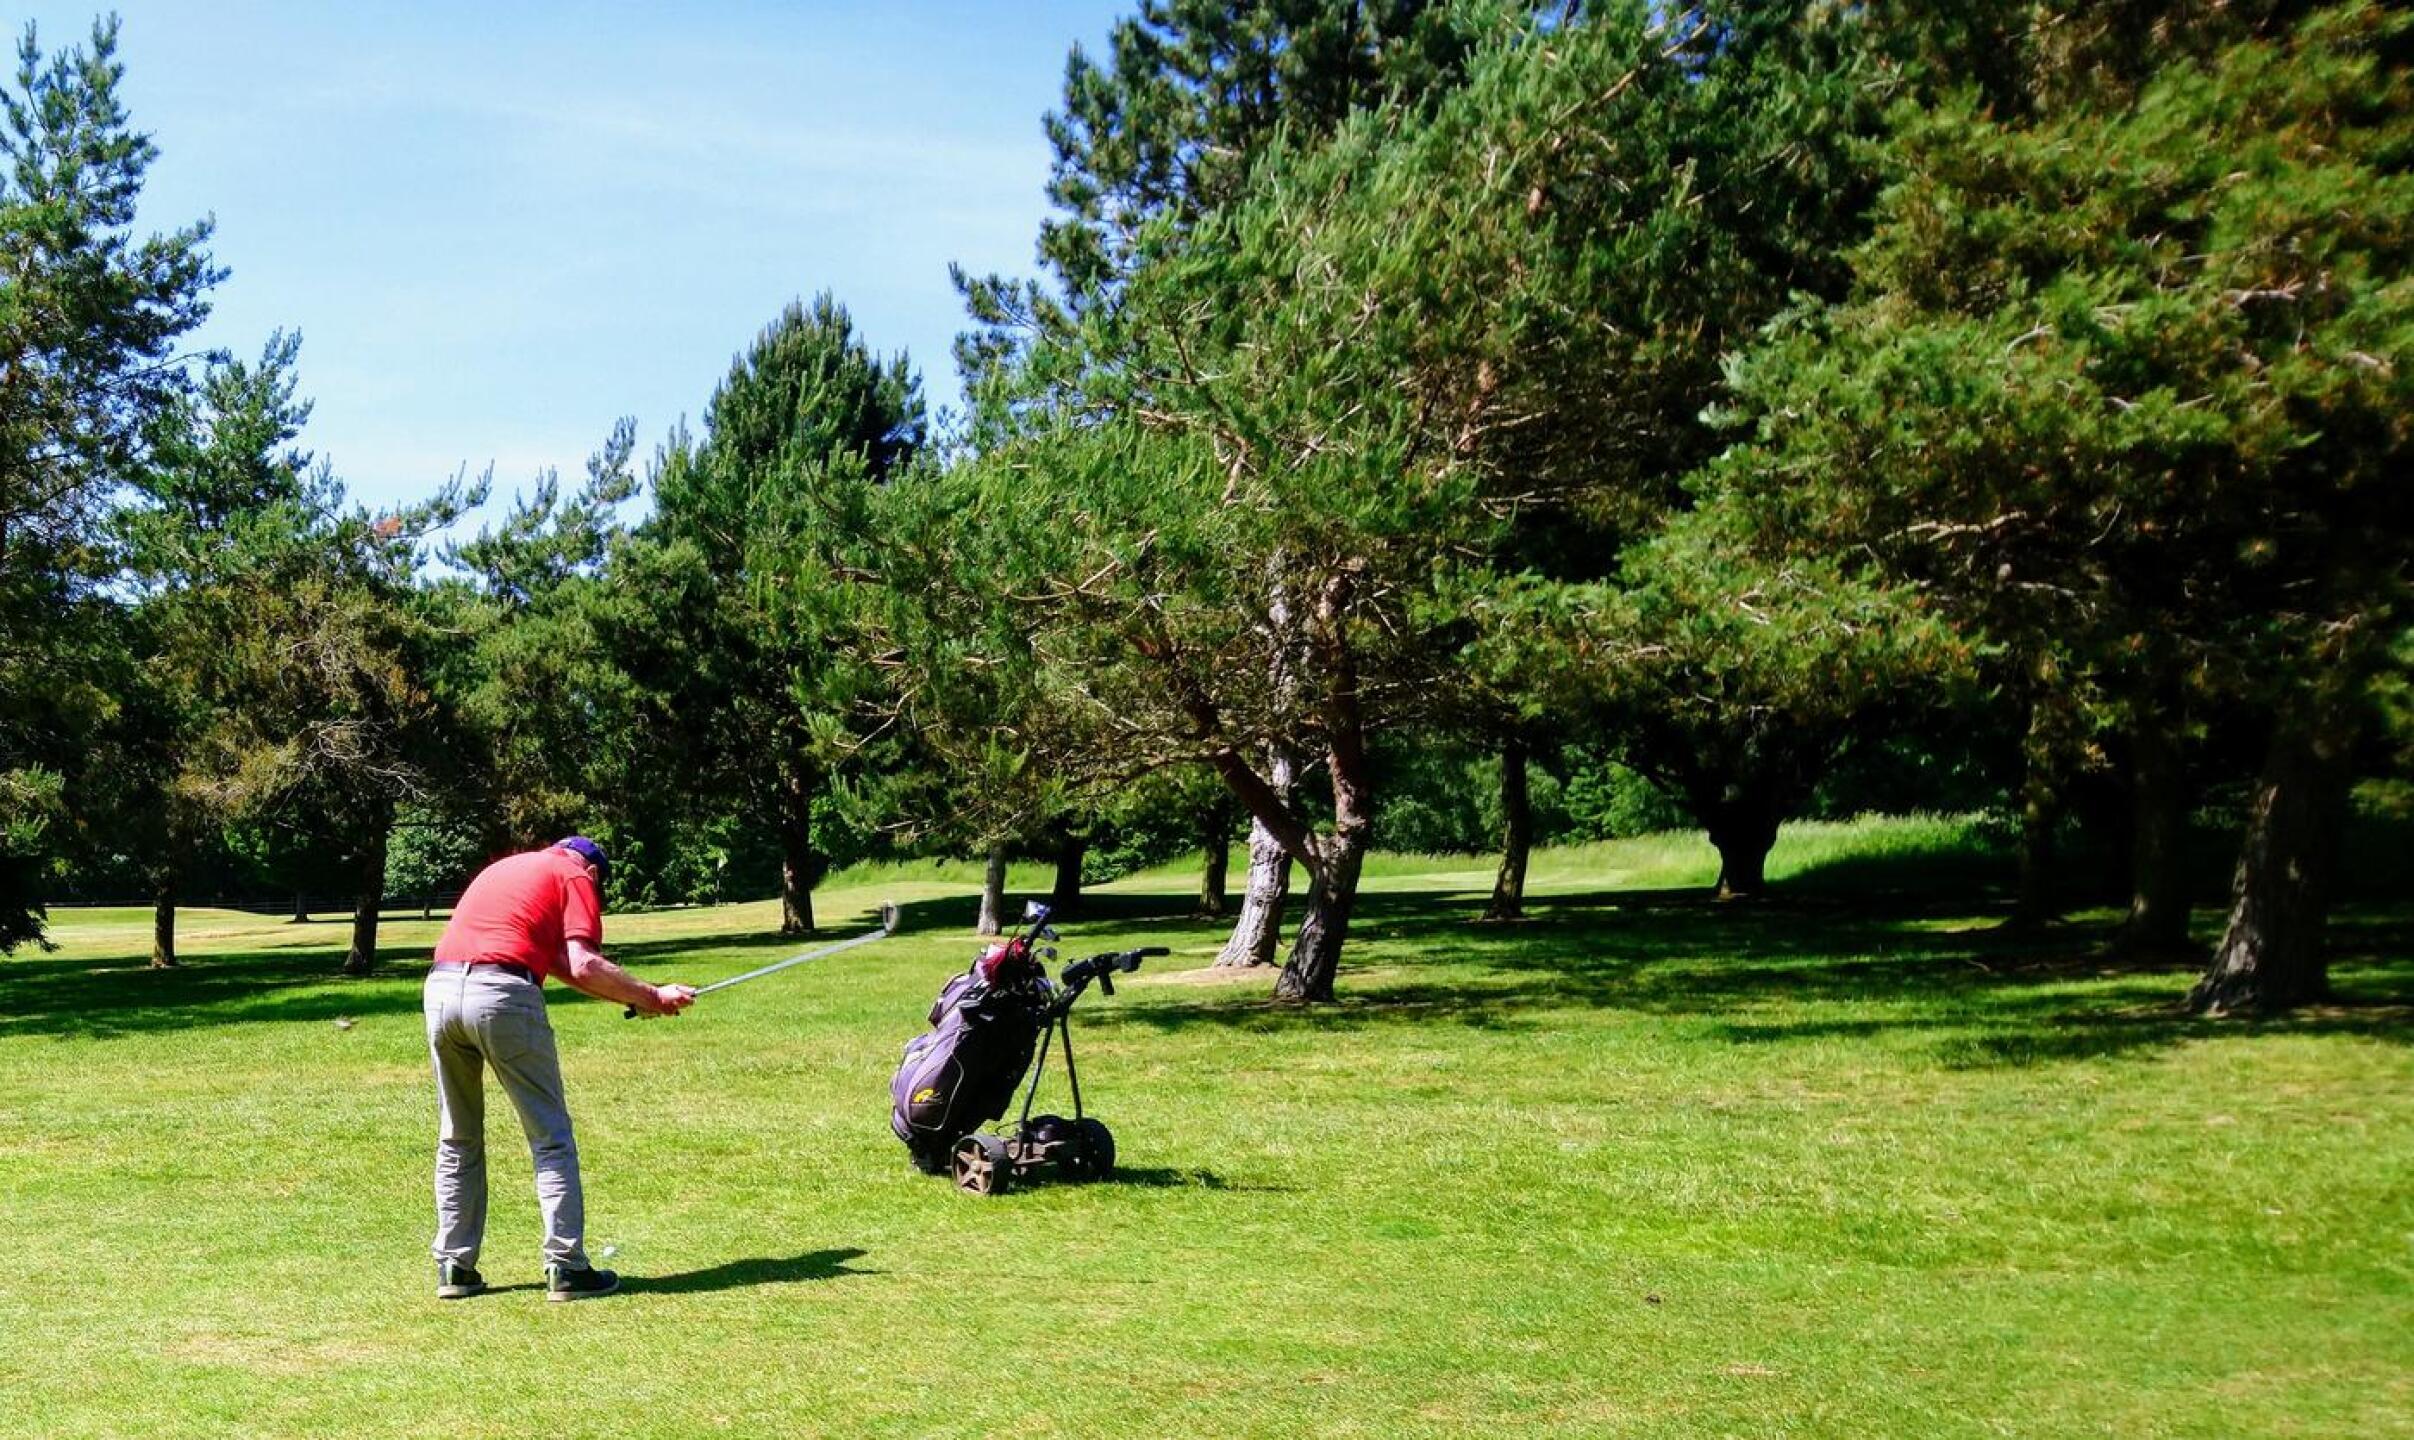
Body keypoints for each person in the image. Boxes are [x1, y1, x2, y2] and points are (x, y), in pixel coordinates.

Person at [422, 835, 694, 1302]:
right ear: (593, 873)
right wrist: (652, 996)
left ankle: (455, 1266)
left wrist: (637, 996)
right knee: (550, 1136)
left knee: (458, 1135)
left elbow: (563, 964)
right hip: (503, 996)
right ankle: (566, 1266)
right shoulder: (575, 875)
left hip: (442, 991)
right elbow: (585, 961)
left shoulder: (512, 868)